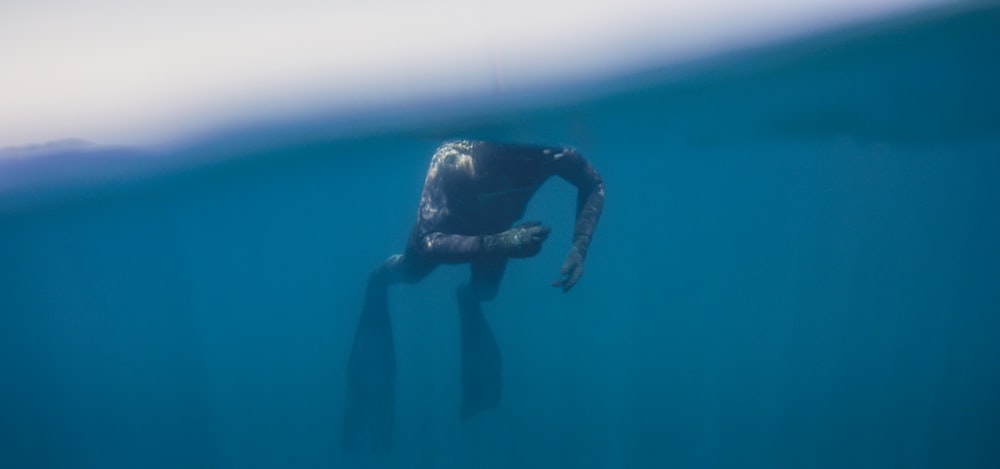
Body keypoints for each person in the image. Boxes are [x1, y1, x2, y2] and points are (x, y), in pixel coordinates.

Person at [342, 140, 605, 451]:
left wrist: (580, 246)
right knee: (412, 274)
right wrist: (499, 245)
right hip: (453, 236)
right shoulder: (452, 159)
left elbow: (593, 182)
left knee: (485, 293)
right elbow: (427, 240)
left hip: (497, 235)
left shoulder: (546, 155)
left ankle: (467, 300)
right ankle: (380, 277)